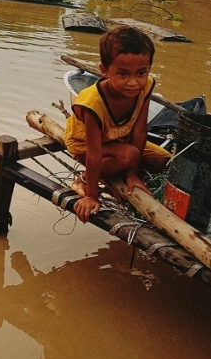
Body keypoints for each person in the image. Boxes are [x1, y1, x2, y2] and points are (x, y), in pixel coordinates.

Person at [64, 25, 171, 223]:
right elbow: (95, 152)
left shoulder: (146, 86)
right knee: (129, 154)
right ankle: (84, 179)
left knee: (164, 160)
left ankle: (122, 170)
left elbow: (139, 129)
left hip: (117, 137)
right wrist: (91, 196)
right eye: (123, 74)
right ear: (104, 71)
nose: (134, 82)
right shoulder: (92, 103)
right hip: (85, 144)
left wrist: (133, 175)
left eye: (141, 72)